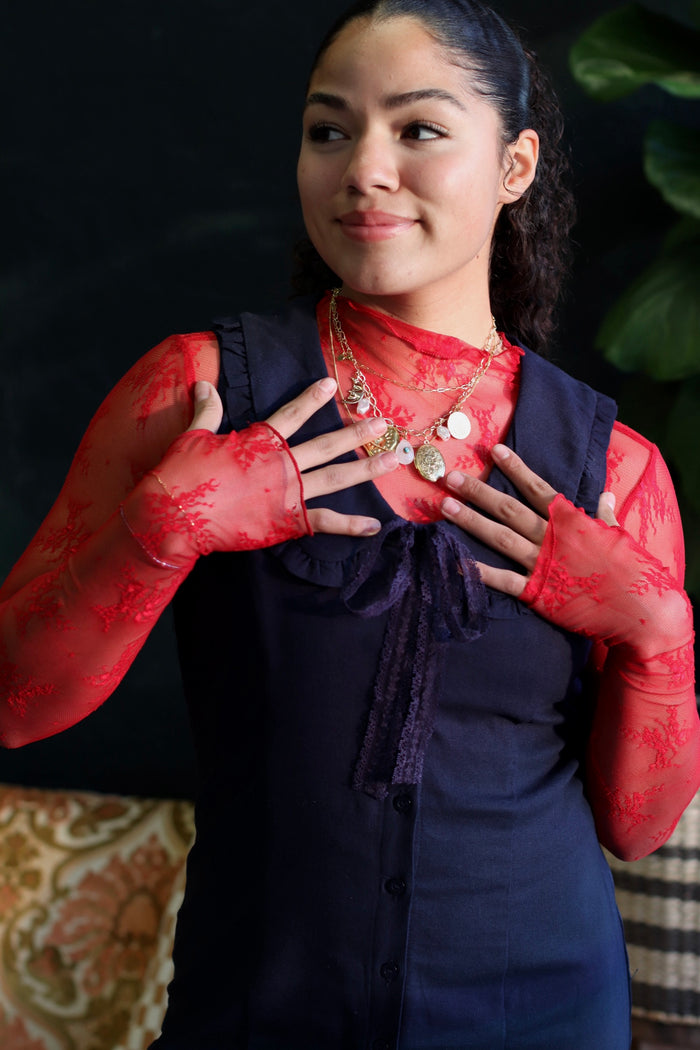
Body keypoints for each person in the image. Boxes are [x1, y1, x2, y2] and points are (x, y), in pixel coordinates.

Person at [1, 0, 699, 1046]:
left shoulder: (614, 467)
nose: (362, 168)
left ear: (513, 166)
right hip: (262, 1004)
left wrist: (657, 633)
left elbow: (637, 829)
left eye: (417, 129)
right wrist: (159, 530)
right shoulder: (195, 392)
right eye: (329, 130)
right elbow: (16, 704)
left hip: (540, 1006)